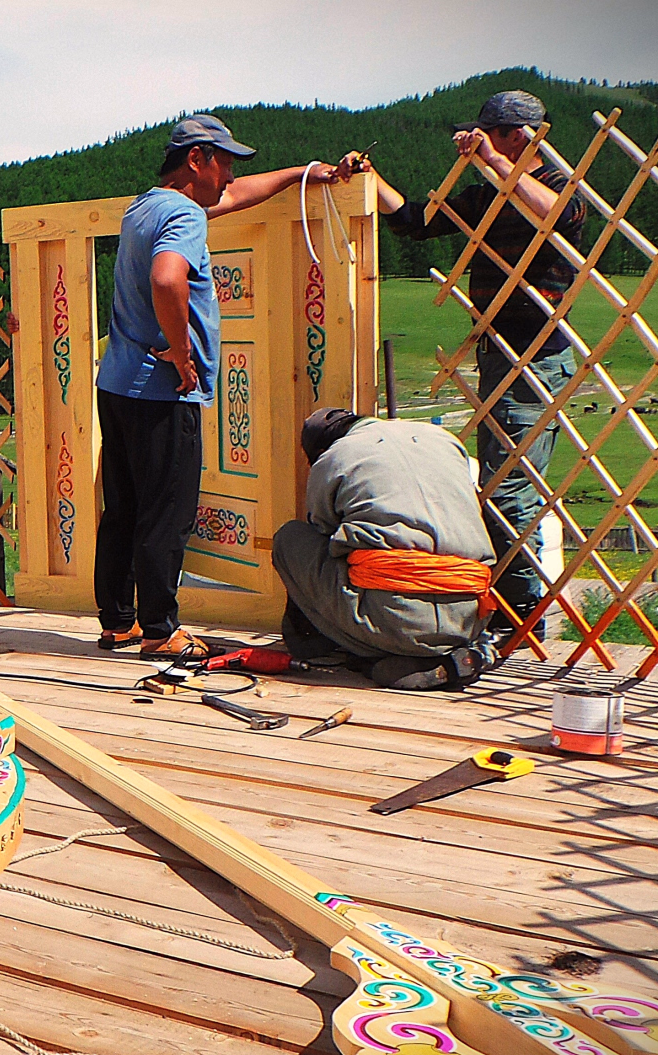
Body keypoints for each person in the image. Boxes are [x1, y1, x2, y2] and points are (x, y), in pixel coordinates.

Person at [95, 114, 344, 658]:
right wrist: (181, 354)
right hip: (161, 389)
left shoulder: (146, 206)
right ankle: (160, 631)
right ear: (196, 159)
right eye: (224, 160)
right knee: (167, 511)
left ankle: (118, 621)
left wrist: (304, 173)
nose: (230, 173)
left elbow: (238, 195)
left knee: (124, 506)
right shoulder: (184, 214)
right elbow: (167, 278)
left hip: (117, 384)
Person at [349, 90, 588, 638]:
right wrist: (371, 176)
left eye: (495, 132)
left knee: (511, 487)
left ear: (524, 136)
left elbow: (554, 217)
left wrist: (497, 162)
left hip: (538, 354)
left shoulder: (558, 185)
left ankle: (522, 613)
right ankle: (511, 607)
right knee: (498, 485)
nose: (483, 140)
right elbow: (414, 219)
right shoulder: (486, 197)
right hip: (495, 351)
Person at [272, 408, 497, 691]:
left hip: (394, 613)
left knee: (291, 538)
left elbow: (323, 529)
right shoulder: (443, 439)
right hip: (469, 613)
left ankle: (358, 647)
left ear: (319, 448)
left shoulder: (334, 458)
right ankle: (450, 653)